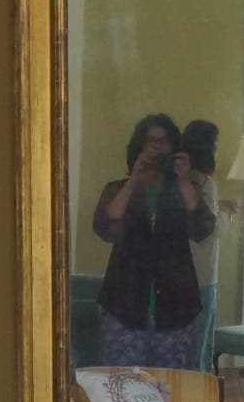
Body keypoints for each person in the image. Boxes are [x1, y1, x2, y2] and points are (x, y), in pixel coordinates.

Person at [90, 112, 216, 369]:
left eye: (164, 141)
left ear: (175, 149)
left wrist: (183, 179)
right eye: (150, 141)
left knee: (173, 390)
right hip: (123, 306)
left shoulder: (184, 190)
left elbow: (202, 228)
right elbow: (105, 226)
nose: (157, 147)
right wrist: (134, 179)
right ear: (138, 147)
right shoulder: (118, 188)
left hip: (176, 307)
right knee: (121, 386)